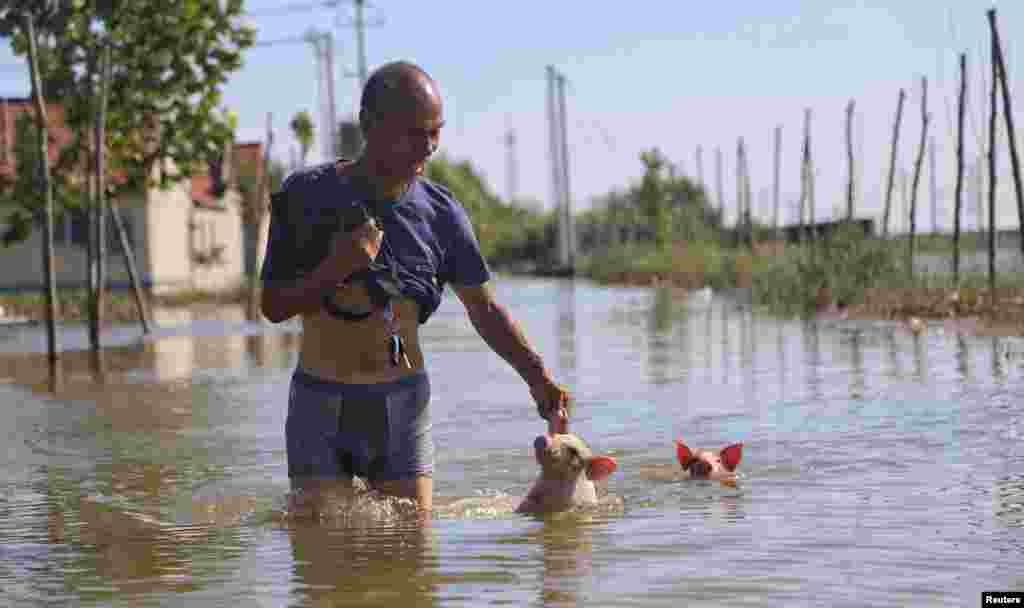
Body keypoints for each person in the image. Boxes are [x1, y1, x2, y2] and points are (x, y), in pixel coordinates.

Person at [260, 60, 570, 513]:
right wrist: (338, 266)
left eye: (435, 133)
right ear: (369, 125)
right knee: (321, 563)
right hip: (319, 402)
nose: (427, 147)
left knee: (411, 559)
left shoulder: (441, 212)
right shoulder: (305, 195)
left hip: (401, 402)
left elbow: (484, 311)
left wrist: (538, 379)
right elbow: (272, 306)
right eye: (413, 132)